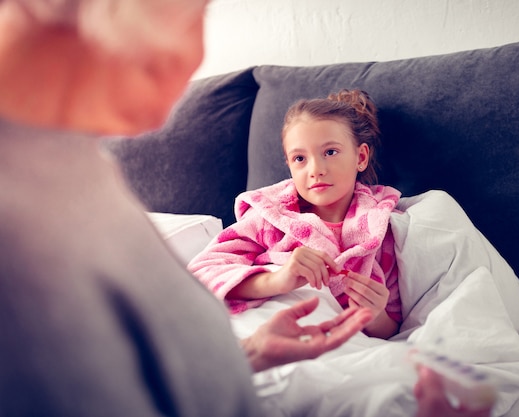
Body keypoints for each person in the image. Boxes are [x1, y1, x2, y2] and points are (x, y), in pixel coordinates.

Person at [0, 0, 493, 416]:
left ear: (361, 158)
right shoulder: (30, 219)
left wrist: (252, 354)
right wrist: (276, 282)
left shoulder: (74, 167)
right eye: (189, 18)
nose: (194, 58)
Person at [189, 89, 402, 339]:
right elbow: (200, 273)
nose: (316, 170)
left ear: (361, 157)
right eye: (300, 158)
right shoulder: (270, 219)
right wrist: (278, 280)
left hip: (337, 346)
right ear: (289, 165)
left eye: (330, 152)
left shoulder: (380, 231)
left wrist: (375, 315)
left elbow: (393, 329)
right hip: (261, 334)